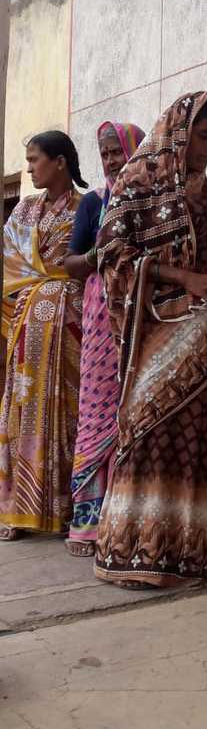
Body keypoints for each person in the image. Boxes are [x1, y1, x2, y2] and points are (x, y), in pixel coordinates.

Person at [94, 90, 207, 588]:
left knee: (193, 438)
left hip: (204, 341)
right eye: (205, 136)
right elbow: (110, 256)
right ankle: (134, 551)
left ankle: (186, 553)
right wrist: (182, 278)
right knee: (148, 433)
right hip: (156, 336)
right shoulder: (139, 183)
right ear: (180, 132)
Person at [63, 121, 145, 557]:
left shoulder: (153, 200)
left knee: (134, 411)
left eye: (119, 151)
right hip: (101, 316)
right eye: (106, 153)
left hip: (143, 315)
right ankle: (89, 523)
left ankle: (126, 519)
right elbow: (71, 262)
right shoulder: (94, 202)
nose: (113, 160)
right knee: (97, 410)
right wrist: (97, 256)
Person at [0, 132, 88, 540]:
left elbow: (95, 262)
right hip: (27, 326)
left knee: (67, 412)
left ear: (60, 162)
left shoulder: (86, 206)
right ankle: (18, 510)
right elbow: (9, 266)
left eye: (35, 160)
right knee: (22, 412)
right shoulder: (25, 210)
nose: (30, 168)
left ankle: (66, 509)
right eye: (29, 160)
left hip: (70, 324)